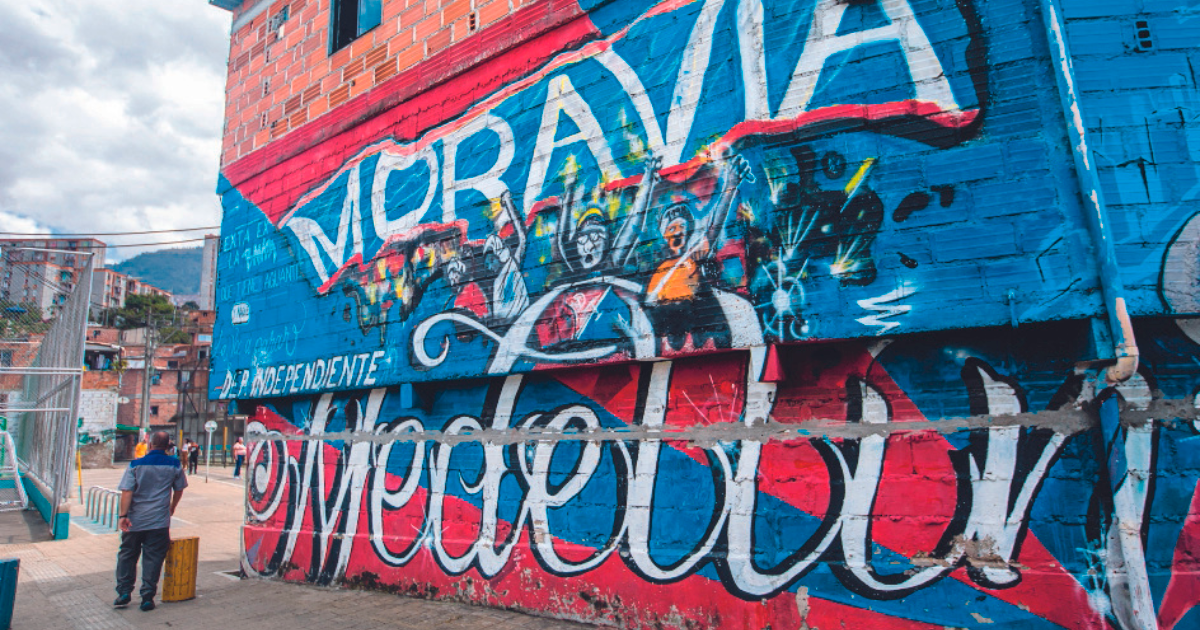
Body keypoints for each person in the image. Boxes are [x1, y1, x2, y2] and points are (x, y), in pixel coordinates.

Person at [114, 430, 187, 612]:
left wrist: (123, 516)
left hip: (134, 521)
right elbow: (179, 489)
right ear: (168, 445)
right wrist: (172, 507)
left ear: (150, 444)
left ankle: (124, 592)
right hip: (159, 522)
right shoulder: (174, 464)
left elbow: (127, 491)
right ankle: (147, 597)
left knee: (127, 555)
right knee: (153, 558)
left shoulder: (135, 464)